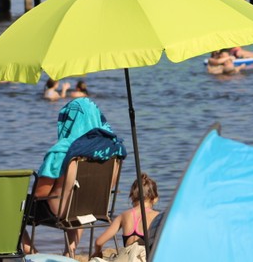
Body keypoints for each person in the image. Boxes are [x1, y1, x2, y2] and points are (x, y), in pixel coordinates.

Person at [31, 98, 126, 256]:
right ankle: (71, 251)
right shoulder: (113, 151)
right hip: (93, 209)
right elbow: (110, 186)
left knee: (17, 207)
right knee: (81, 197)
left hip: (60, 211)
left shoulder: (62, 150)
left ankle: (30, 251)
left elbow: (40, 194)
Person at [91, 173, 160, 261]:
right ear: (155, 199)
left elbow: (99, 242)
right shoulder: (157, 216)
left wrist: (98, 252)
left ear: (132, 196)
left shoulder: (123, 215)